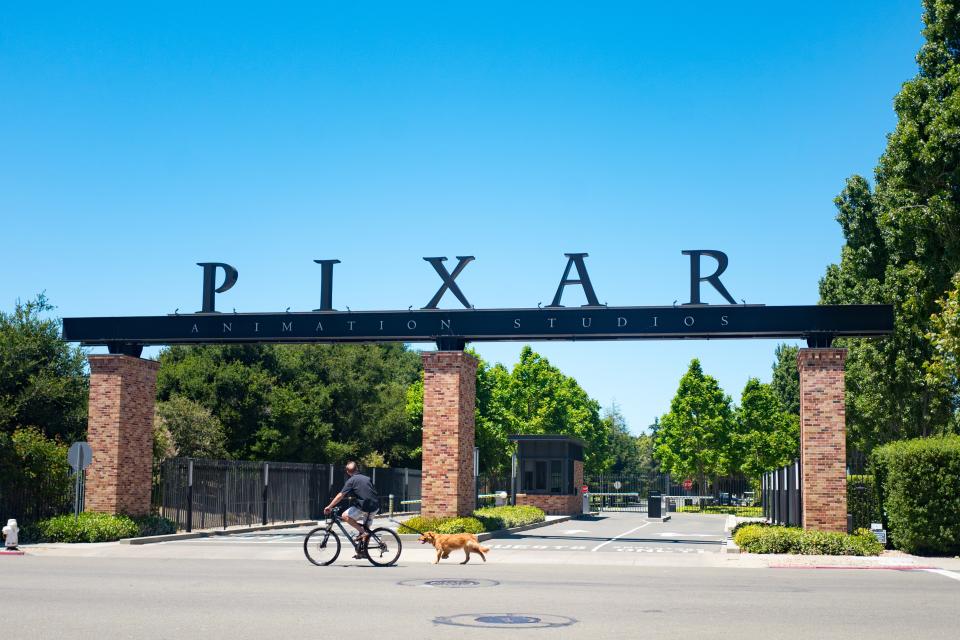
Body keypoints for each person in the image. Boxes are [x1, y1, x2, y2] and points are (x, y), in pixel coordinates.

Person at [324, 462, 379, 553]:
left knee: (345, 516)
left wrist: (329, 506)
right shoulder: (367, 478)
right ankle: (363, 552)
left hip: (364, 506)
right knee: (366, 530)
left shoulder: (351, 481)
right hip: (374, 506)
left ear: (348, 472)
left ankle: (364, 533)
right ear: (357, 468)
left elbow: (340, 495)